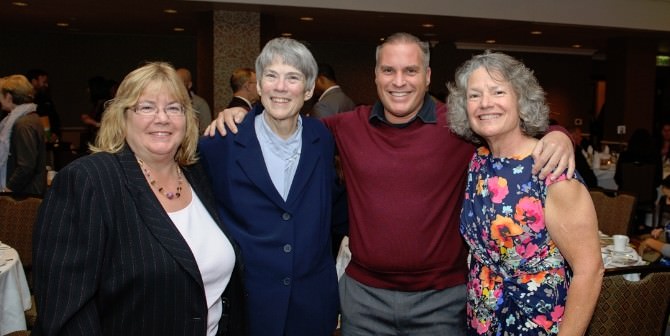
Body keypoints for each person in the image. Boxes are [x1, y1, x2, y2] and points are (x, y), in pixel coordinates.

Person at [207, 32, 575, 335]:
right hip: (364, 300)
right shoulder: (345, 127)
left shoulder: (460, 127)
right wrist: (242, 111)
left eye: (410, 70)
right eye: (389, 70)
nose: (399, 82)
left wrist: (558, 135)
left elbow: (515, 129)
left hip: (442, 301)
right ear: (376, 76)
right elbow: (287, 124)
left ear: (427, 76)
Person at [33, 62, 246, 336]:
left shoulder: (199, 175)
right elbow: (65, 310)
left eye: (174, 108)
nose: (162, 118)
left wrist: (243, 115)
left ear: (187, 119)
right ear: (122, 117)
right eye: (146, 107)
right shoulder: (88, 181)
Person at [447, 50, 603, 335]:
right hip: (481, 320)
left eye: (497, 92)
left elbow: (589, 271)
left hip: (538, 323)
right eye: (474, 95)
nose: (485, 104)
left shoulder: (551, 171)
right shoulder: (478, 161)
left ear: (521, 99)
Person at [198, 37, 344, 336]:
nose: (280, 87)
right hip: (246, 306)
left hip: (311, 307)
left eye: (293, 78)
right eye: (271, 76)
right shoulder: (220, 142)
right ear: (259, 85)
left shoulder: (322, 138)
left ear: (307, 89)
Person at [0, 74, 47, 195]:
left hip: (24, 195)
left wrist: (7, 190)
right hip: (26, 192)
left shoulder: (23, 124)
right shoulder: (28, 118)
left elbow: (26, 166)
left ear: (9, 96)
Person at [26, 69, 60, 142]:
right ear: (34, 81)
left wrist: (55, 133)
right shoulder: (24, 101)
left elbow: (55, 118)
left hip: (47, 142)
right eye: (44, 82)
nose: (46, 85)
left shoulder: (46, 99)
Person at [176, 67, 212, 134]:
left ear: (189, 85)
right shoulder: (167, 103)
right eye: (174, 82)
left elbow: (206, 133)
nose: (176, 86)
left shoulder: (200, 104)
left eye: (180, 83)